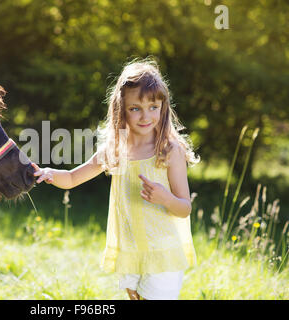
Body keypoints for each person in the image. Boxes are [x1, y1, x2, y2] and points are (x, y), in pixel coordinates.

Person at [32, 58, 200, 300]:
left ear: (163, 107)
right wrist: (49, 173)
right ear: (122, 110)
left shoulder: (169, 150)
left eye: (153, 107)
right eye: (135, 108)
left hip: (162, 252)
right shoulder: (116, 150)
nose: (145, 116)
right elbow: (71, 178)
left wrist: (164, 198)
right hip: (130, 252)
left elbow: (184, 208)